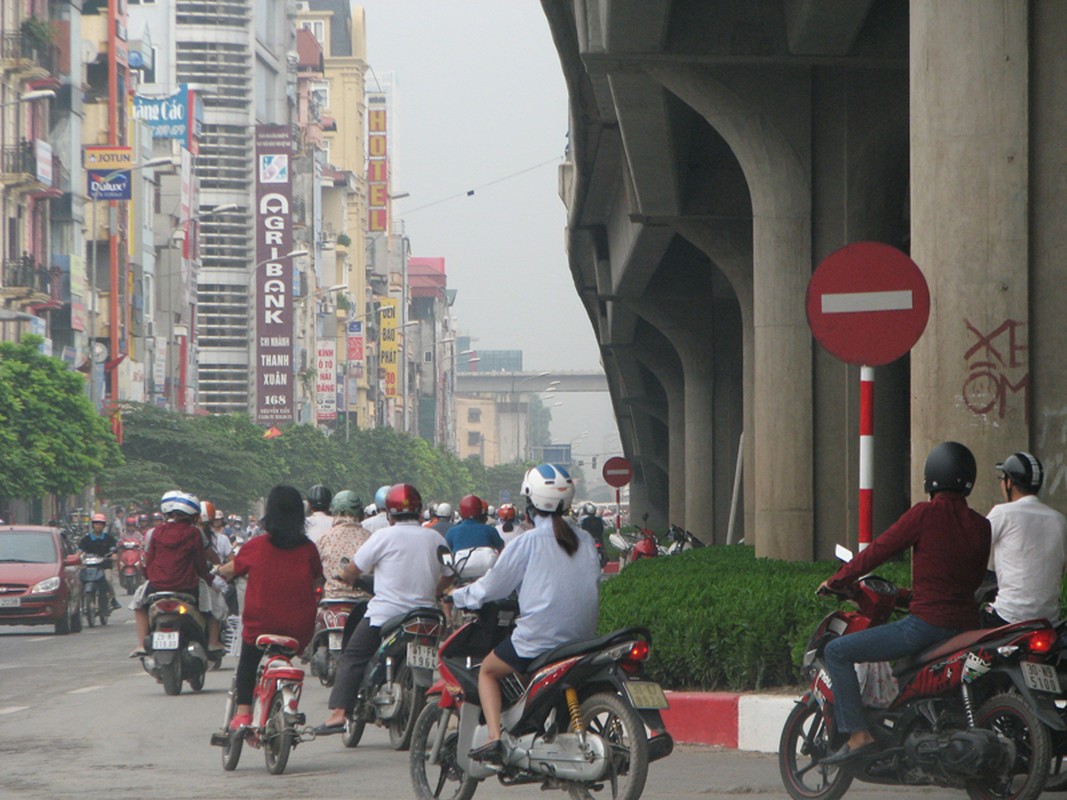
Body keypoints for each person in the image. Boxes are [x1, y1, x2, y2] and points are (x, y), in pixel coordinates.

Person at [817, 441, 991, 765]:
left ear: (931, 479)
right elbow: (966, 579)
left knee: (836, 652)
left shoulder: (924, 514)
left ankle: (858, 736)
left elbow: (878, 550)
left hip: (924, 628)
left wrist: (837, 580)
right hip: (967, 627)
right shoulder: (983, 525)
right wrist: (909, 596)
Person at [450, 464, 601, 764]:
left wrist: (457, 597)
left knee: (488, 672)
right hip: (583, 639)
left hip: (540, 639)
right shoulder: (584, 540)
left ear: (530, 504)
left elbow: (492, 587)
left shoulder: (526, 542)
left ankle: (494, 739)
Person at [314, 483, 451, 735]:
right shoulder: (436, 538)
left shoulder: (383, 537)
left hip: (386, 614)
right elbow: (449, 574)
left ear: (389, 513)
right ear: (420, 510)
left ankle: (339, 713)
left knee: (353, 656)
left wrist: (345, 575)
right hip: (427, 615)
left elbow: (355, 569)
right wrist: (434, 592)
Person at [217, 485, 323, 730]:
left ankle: (243, 713)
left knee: (248, 660)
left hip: (260, 626)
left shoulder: (256, 546)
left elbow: (232, 569)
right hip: (298, 629)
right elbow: (317, 581)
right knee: (285, 657)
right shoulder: (309, 549)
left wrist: (220, 572)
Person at [981, 451, 1067, 627]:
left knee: (961, 637)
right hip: (1049, 621)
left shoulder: (1002, 513)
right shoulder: (1060, 520)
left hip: (1008, 617)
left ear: (1009, 483)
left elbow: (972, 548)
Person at [131, 491, 216, 658]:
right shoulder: (194, 533)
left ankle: (141, 643)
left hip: (157, 586)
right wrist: (210, 579)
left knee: (138, 605)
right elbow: (200, 562)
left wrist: (151, 577)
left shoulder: (156, 532)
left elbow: (149, 560)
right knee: (213, 604)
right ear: (194, 515)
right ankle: (213, 642)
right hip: (187, 586)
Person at [316, 491, 371, 600]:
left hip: (331, 600)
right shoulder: (370, 538)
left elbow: (316, 573)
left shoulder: (324, 538)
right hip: (363, 603)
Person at [79, 513, 120, 611]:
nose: (98, 525)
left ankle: (112, 599)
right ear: (93, 525)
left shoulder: (109, 539)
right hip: (89, 567)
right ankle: (80, 603)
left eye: (101, 524)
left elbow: (114, 551)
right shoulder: (86, 539)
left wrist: (113, 556)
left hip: (104, 566)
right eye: (96, 523)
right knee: (79, 581)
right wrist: (76, 557)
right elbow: (80, 551)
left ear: (104, 525)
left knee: (108, 580)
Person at [577, 501, 607, 566]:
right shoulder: (599, 519)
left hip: (589, 539)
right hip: (598, 538)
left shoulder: (585, 520)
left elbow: (583, 530)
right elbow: (602, 529)